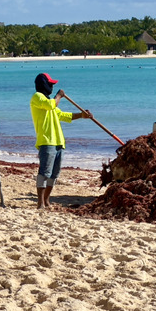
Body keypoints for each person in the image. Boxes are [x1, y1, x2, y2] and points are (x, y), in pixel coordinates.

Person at [30, 73, 92, 209]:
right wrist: (58, 96)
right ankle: (40, 203)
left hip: (58, 141)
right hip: (46, 141)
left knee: (54, 174)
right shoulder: (38, 98)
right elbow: (51, 105)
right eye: (50, 84)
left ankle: (46, 200)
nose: (52, 87)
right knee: (44, 173)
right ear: (43, 85)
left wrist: (81, 115)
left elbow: (63, 115)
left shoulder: (50, 104)